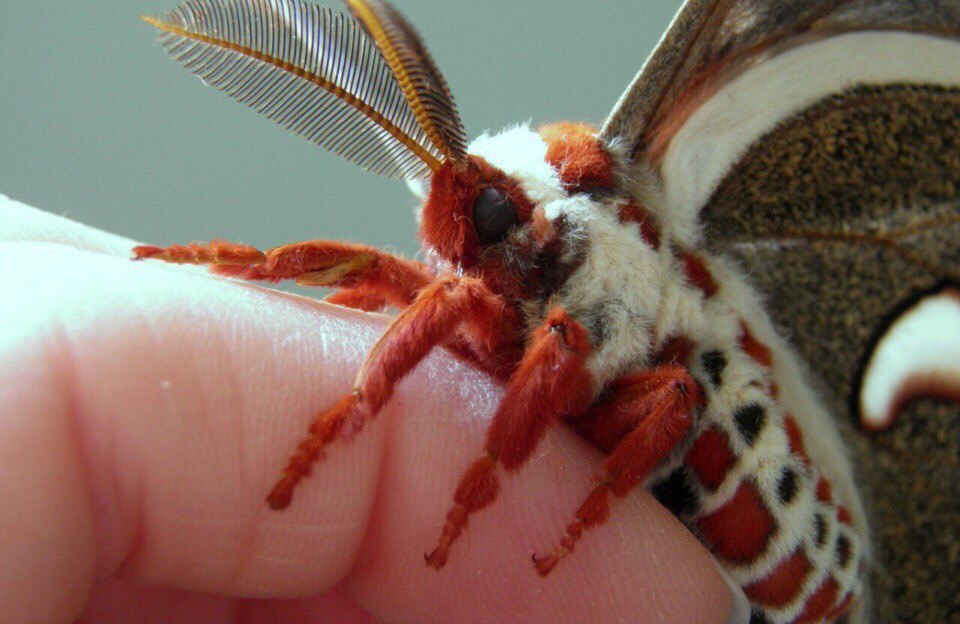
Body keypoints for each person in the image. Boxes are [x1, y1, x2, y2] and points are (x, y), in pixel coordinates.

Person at [0, 195, 747, 624]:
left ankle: (364, 423)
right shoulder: (482, 290)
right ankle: (223, 265)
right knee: (393, 280)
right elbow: (369, 275)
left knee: (587, 353)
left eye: (482, 211)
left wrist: (514, 493)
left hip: (648, 454)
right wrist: (244, 266)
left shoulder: (560, 301)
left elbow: (648, 384)